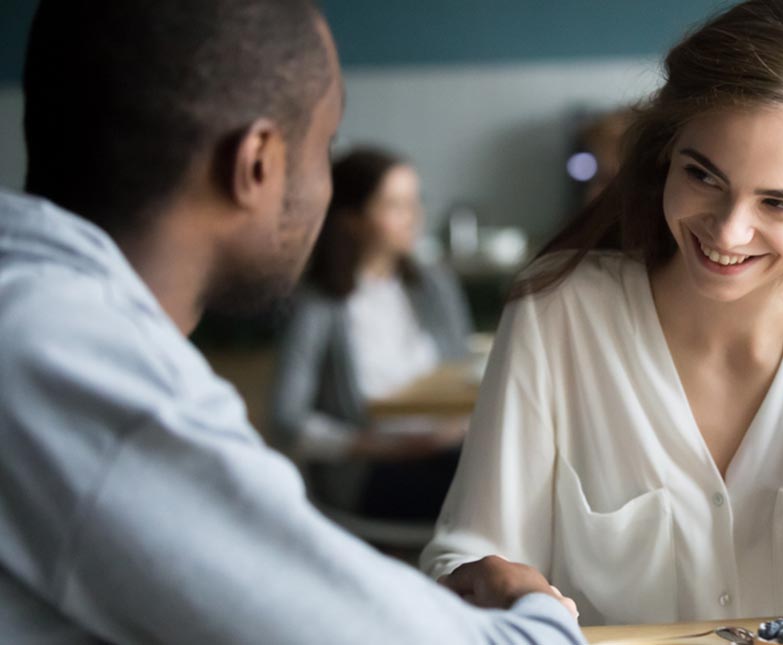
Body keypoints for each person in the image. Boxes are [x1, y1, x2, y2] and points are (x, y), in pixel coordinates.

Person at [0, 1, 583, 643]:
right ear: (256, 163)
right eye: (324, 146)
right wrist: (542, 610)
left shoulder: (32, 308)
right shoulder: (85, 374)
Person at [422, 0, 783, 627]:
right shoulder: (559, 312)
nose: (729, 232)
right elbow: (467, 558)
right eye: (703, 176)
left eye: (782, 203)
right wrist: (494, 582)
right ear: (667, 150)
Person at [271, 147, 472, 520]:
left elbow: (463, 380)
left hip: (449, 451)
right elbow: (286, 420)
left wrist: (454, 430)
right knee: (487, 502)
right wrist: (378, 446)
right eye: (394, 206)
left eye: (415, 203)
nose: (413, 218)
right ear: (351, 219)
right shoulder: (319, 304)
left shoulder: (434, 286)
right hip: (368, 470)